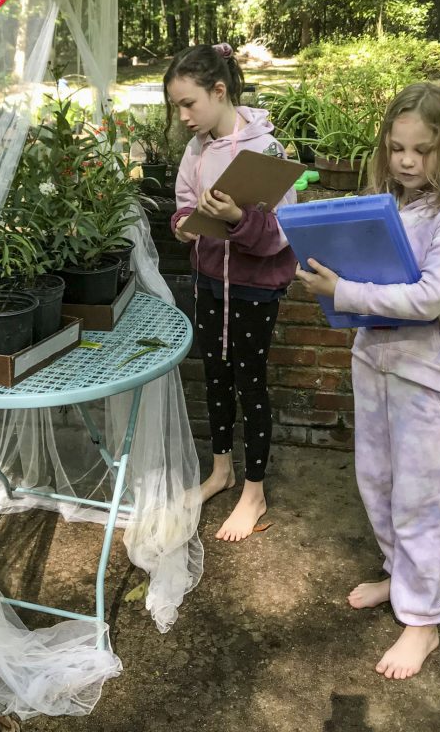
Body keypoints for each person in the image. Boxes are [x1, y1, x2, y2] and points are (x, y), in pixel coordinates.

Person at [296, 81, 440, 680]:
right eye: (397, 147)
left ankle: (423, 619)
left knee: (419, 497)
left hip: (428, 375)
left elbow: (429, 298)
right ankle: (398, 578)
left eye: (421, 150)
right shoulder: (389, 202)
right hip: (375, 357)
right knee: (375, 479)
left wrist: (342, 290)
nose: (406, 161)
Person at [164, 43, 297, 543]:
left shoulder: (266, 151)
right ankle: (221, 472)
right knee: (216, 377)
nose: (183, 116)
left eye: (189, 103)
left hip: (253, 289)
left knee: (250, 383)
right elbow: (180, 206)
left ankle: (254, 490)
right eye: (177, 106)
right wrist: (183, 226)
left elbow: (282, 232)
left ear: (219, 91)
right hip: (207, 282)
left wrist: (238, 220)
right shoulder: (195, 149)